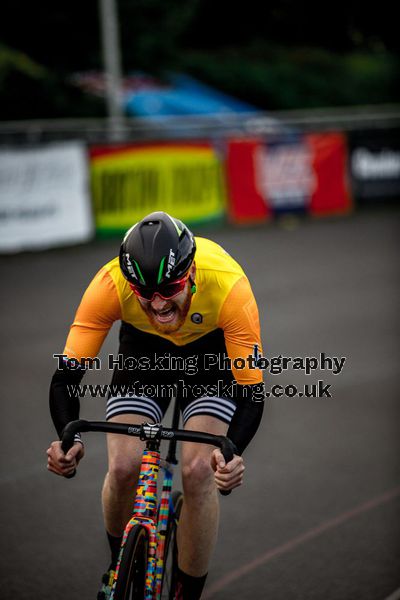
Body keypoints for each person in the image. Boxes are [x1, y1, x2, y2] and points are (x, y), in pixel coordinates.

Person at [47, 211, 265, 600]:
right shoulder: (110, 284)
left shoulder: (230, 286)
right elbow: (66, 378)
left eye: (170, 287)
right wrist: (66, 440)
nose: (160, 302)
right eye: (145, 292)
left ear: (192, 272)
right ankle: (118, 567)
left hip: (209, 358)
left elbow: (252, 392)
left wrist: (232, 456)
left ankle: (185, 592)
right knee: (123, 465)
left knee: (199, 471)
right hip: (144, 353)